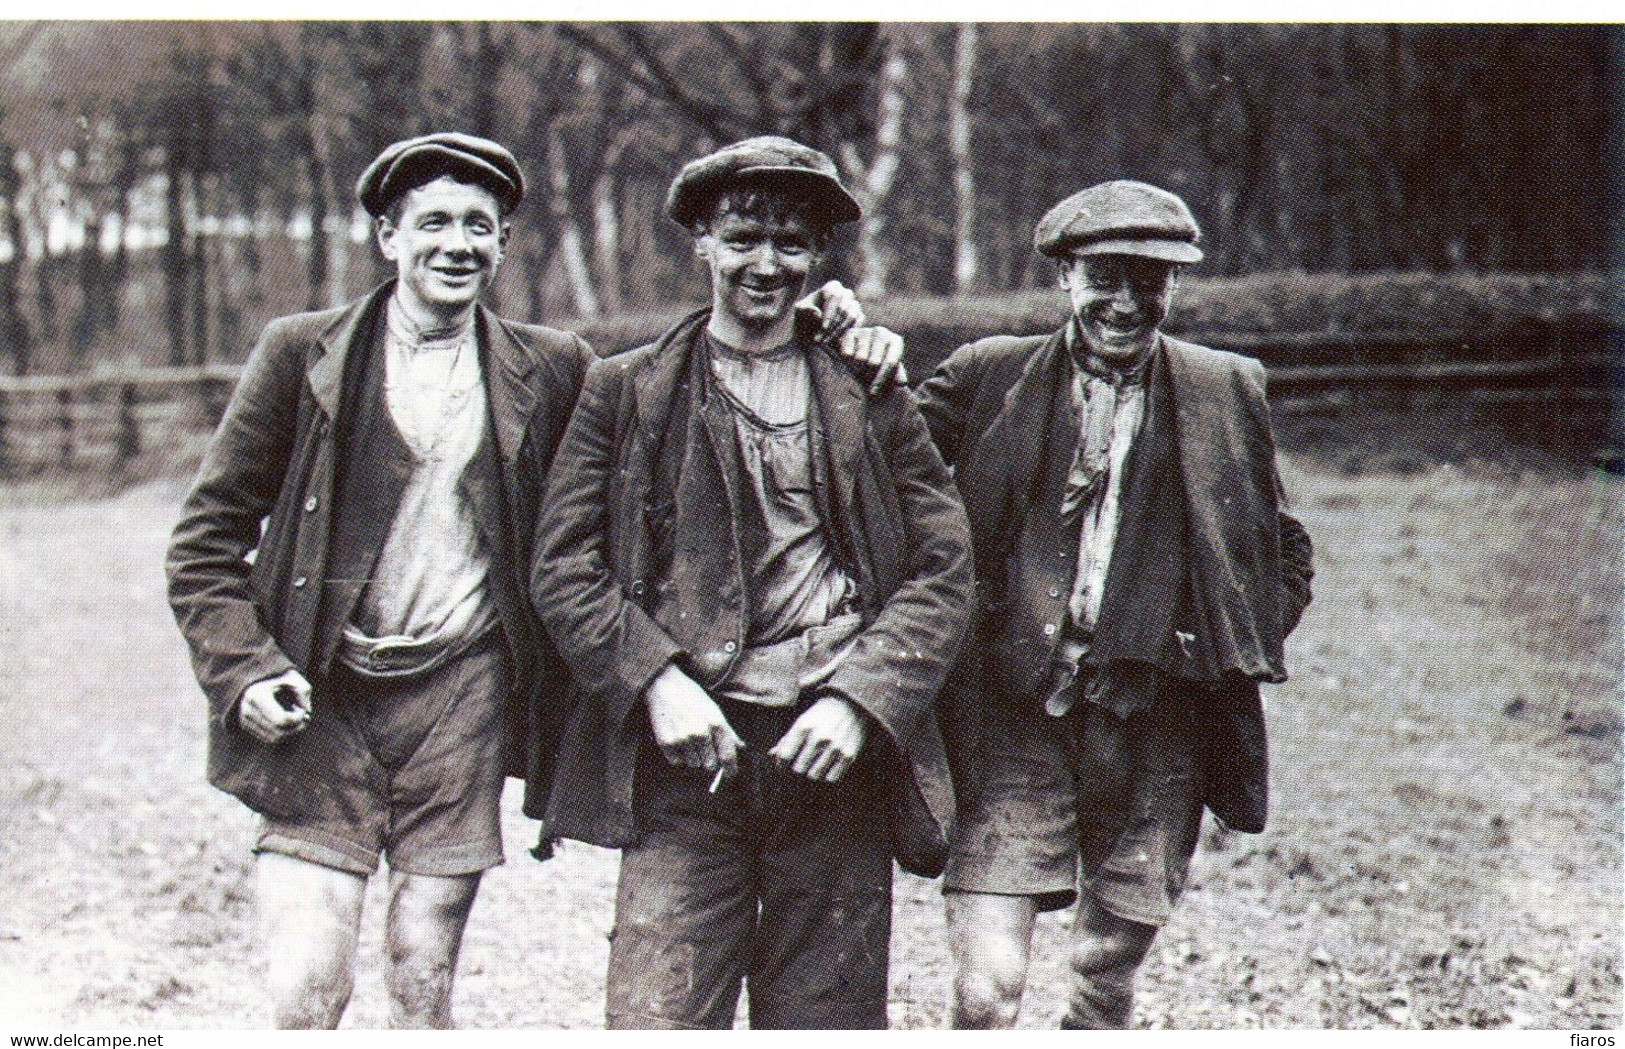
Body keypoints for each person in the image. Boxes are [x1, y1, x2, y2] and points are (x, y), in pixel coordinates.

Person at [533, 136, 974, 1030]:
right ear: (700, 239)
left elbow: (943, 565)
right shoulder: (626, 390)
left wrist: (859, 701)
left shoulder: (865, 386)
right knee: (656, 1015)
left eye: (790, 243)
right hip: (686, 761)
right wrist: (655, 683)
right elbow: (562, 566)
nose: (764, 264)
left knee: (826, 1017)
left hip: (831, 756)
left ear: (819, 256)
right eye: (741, 237)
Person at [164, 132, 597, 1029]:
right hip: (319, 693)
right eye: (432, 221)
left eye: (480, 226)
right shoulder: (301, 354)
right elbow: (205, 540)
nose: (457, 244)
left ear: (503, 245)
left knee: (421, 971)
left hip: (463, 694)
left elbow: (666, 403)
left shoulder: (552, 367)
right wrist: (243, 669)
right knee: (304, 986)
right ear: (386, 237)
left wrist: (824, 317)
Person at [914, 180, 1315, 1029]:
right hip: (1010, 713)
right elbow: (885, 475)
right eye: (1104, 276)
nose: (1126, 302)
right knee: (988, 985)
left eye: (1149, 279)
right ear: (1064, 275)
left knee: (1103, 969)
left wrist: (1214, 641)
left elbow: (1282, 552)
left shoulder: (1225, 387)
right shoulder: (987, 375)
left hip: (1158, 724)